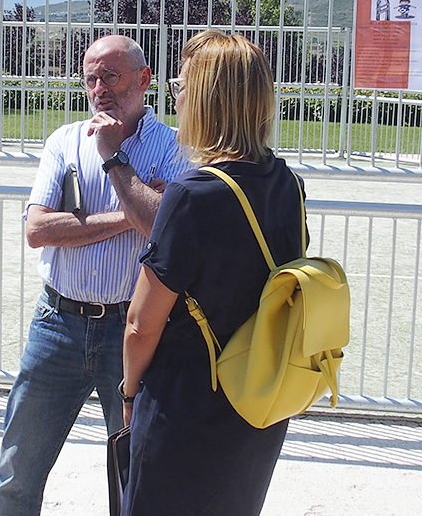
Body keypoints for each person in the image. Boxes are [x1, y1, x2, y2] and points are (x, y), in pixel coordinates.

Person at [0, 34, 189, 515]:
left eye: (112, 76)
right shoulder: (63, 141)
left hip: (133, 332)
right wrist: (132, 212)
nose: (99, 87)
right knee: (18, 468)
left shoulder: (174, 147)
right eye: (90, 77)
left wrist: (113, 166)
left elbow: (166, 226)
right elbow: (38, 229)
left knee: (134, 472)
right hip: (57, 324)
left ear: (144, 80)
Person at [120, 30, 306, 515]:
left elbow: (141, 323)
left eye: (181, 86)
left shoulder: (191, 196)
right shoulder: (287, 182)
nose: (175, 97)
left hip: (186, 407)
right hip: (258, 397)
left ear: (207, 98)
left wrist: (128, 392)